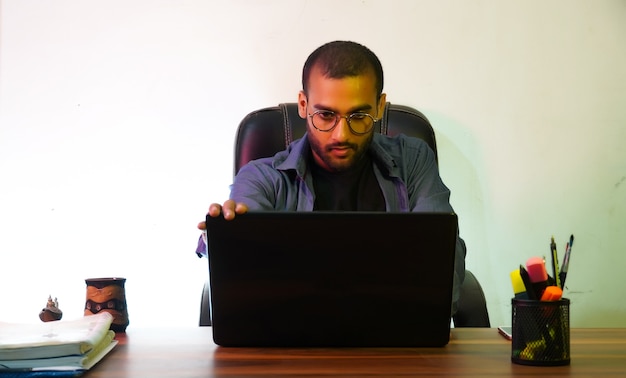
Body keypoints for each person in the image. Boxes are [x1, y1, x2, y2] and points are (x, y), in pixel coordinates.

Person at [196, 40, 466, 314]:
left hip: (394, 340)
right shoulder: (261, 178)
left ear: (379, 107)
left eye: (359, 115)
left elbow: (443, 265)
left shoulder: (413, 160)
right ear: (304, 105)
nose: (342, 135)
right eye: (325, 115)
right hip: (292, 343)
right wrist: (226, 236)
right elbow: (249, 277)